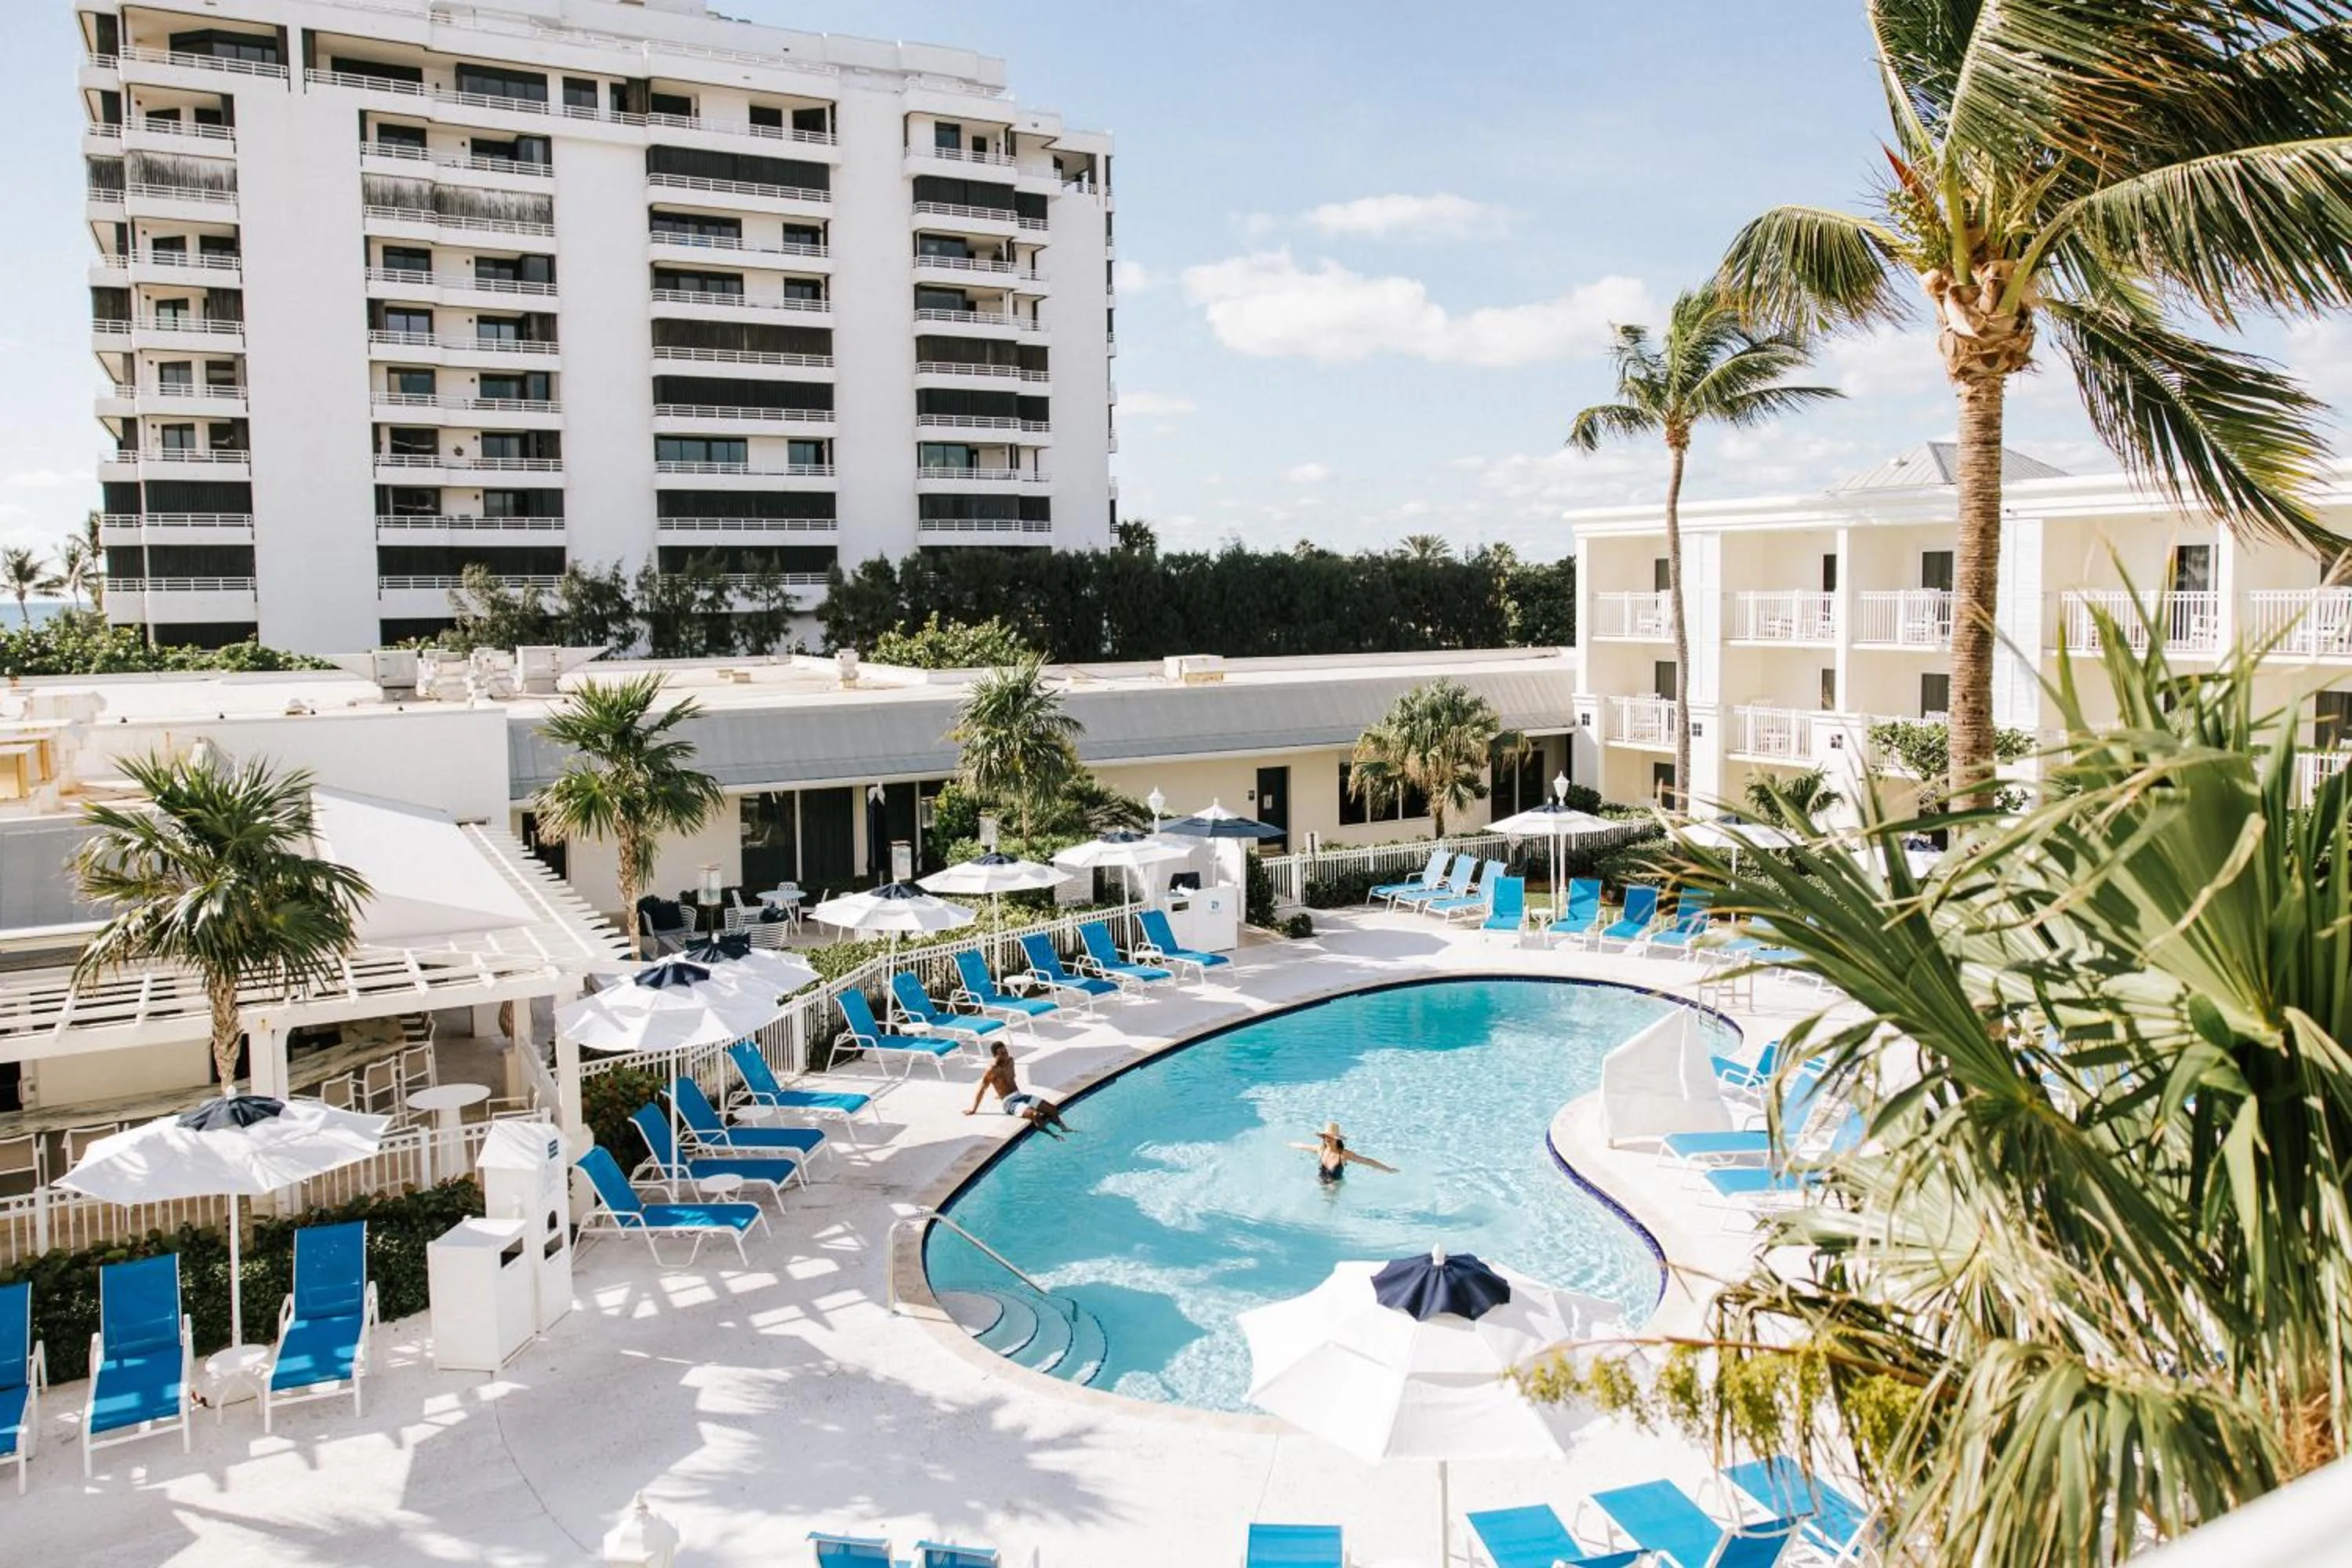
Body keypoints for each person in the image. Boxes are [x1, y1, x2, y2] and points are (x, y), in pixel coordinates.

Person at [964, 1040, 1075, 1139]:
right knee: (1035, 1115)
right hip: (1010, 1102)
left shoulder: (1011, 1061)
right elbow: (982, 1089)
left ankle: (1064, 1128)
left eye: (1006, 1051)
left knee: (1052, 1109)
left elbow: (1010, 1079)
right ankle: (1053, 1137)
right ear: (995, 1056)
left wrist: (1000, 1091)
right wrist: (974, 1109)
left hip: (1022, 1096)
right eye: (1002, 1053)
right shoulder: (992, 1070)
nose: (1006, 1054)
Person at [1290, 1121, 1396, 1184]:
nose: (1327, 1138)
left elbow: (1366, 1161)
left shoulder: (1344, 1154)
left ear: (1337, 1139)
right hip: (1320, 1182)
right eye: (1326, 1136)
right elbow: (1302, 1146)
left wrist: (1388, 1170)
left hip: (1335, 1186)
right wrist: (1287, 1144)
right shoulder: (1321, 1149)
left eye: (1331, 1136)